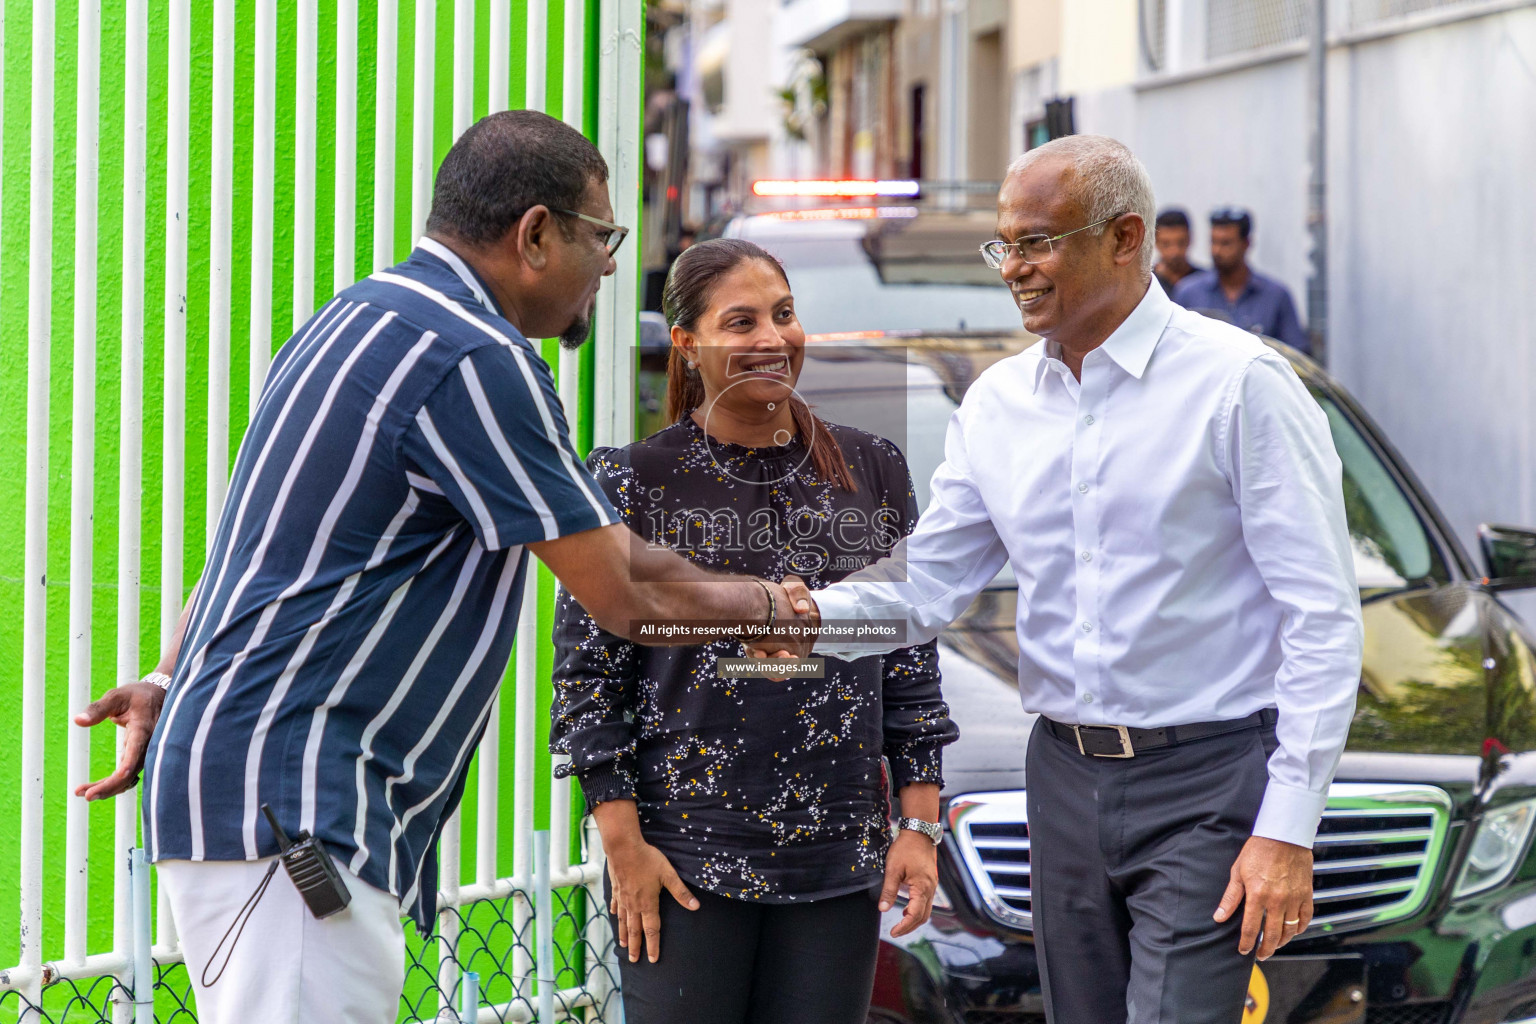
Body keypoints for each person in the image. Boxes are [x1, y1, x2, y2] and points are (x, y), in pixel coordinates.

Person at [70, 110, 810, 1024]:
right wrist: (769, 604)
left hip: (253, 791)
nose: (613, 267)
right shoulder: (473, 355)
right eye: (602, 237)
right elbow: (622, 587)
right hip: (299, 804)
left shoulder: (358, 314)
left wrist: (169, 675)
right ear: (536, 234)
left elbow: (258, 550)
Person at [761, 136, 1363, 1024]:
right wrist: (801, 618)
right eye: (1004, 244)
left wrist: (1286, 826)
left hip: (1208, 779)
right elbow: (929, 584)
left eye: (1036, 240)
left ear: (1125, 238)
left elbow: (1322, 616)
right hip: (1062, 781)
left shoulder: (1242, 386)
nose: (1013, 267)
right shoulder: (1000, 405)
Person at [550, 238, 958, 1024]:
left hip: (838, 863)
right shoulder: (633, 479)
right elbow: (588, 681)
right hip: (685, 861)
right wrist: (624, 846)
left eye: (785, 315)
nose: (772, 339)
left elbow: (910, 660)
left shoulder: (872, 469)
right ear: (686, 344)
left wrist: (919, 824)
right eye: (741, 322)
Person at [1172, 207, 1311, 354]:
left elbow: (1296, 355)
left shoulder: (1276, 296)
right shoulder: (1188, 293)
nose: (1217, 251)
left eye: (1226, 243)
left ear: (1246, 244)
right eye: (1214, 242)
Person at [1151, 207, 1202, 296]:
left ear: (1190, 239)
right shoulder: (1146, 284)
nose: (1174, 251)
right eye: (1166, 244)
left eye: (1181, 243)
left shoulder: (1204, 282)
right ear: (1155, 242)